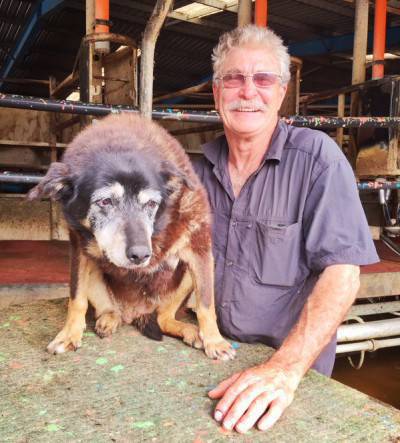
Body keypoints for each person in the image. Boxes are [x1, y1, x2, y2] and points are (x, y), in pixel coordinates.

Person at [193, 25, 379, 434]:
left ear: (281, 92)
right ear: (216, 91)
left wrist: (284, 370)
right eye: (234, 78)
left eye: (263, 79)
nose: (248, 91)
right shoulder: (196, 173)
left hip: (289, 372)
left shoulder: (317, 159)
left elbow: (343, 275)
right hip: (211, 354)